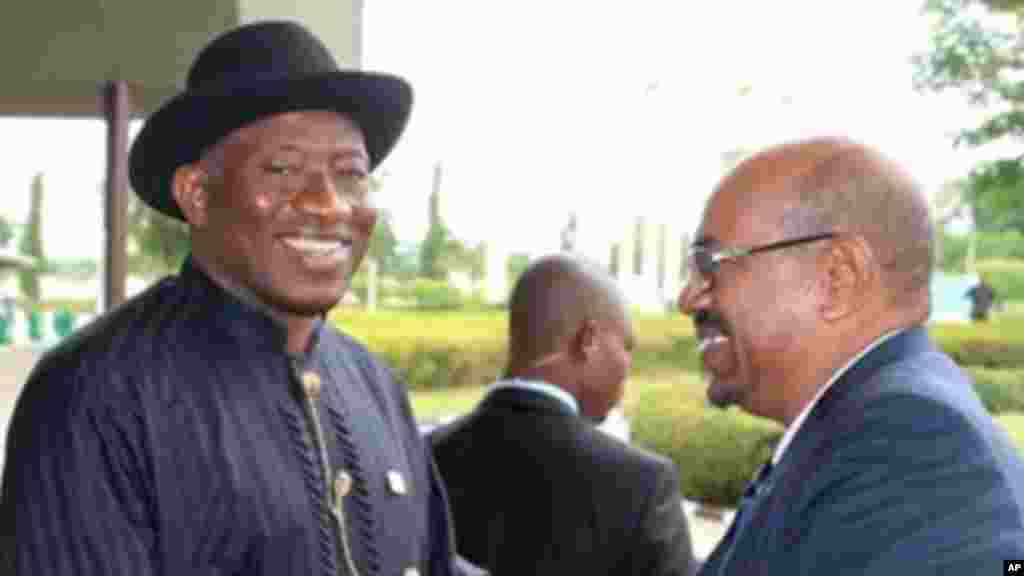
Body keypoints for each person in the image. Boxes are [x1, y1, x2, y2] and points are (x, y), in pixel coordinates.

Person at [1, 21, 484, 576]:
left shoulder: (372, 383)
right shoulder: (96, 394)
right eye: (282, 169)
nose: (328, 205)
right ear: (197, 195)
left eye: (351, 175)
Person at [679, 136, 1024, 575]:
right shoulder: (864, 426)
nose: (689, 298)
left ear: (837, 278)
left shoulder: (911, 448)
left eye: (710, 264)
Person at [430, 254, 698, 576]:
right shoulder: (644, 486)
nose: (628, 365)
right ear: (588, 341)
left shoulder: (420, 455)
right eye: (627, 347)